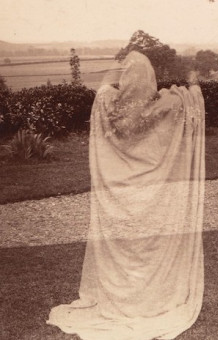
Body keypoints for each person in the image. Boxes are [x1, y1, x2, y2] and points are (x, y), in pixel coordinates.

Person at [47, 51, 206, 340]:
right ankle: (150, 301)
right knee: (149, 246)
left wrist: (114, 76)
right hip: (154, 196)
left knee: (124, 247)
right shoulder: (168, 105)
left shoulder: (108, 105)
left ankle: (123, 301)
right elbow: (192, 103)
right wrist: (192, 84)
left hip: (120, 196)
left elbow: (104, 90)